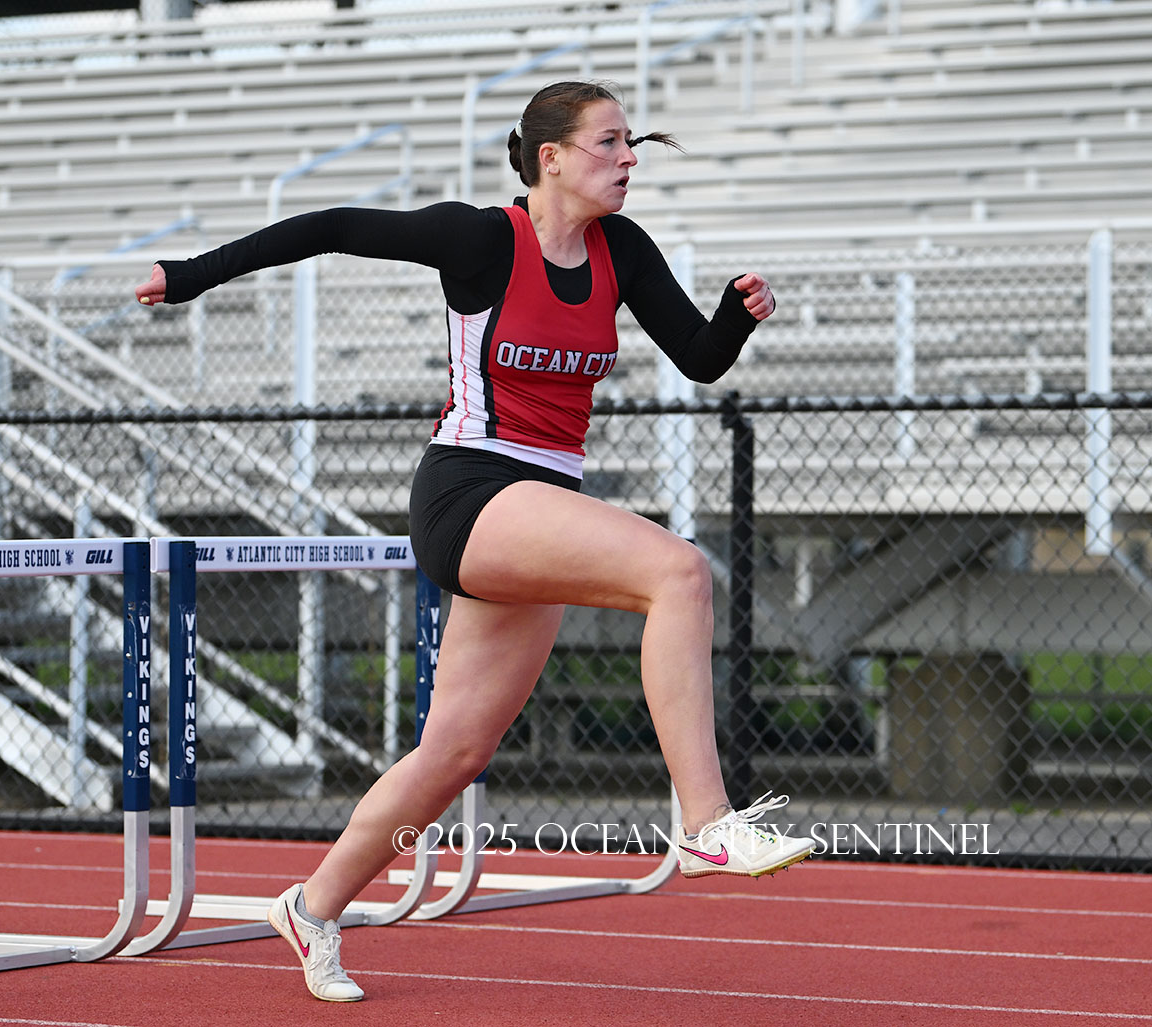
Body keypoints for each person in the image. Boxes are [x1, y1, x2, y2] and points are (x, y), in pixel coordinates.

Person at [135, 80, 815, 1003]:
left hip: (541, 504)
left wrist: (737, 312)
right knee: (679, 571)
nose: (629, 158)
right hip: (468, 490)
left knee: (453, 754)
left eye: (633, 142)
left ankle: (310, 905)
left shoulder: (622, 248)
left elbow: (698, 357)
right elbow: (329, 226)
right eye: (610, 142)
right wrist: (189, 275)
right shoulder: (482, 239)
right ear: (552, 158)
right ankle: (706, 823)